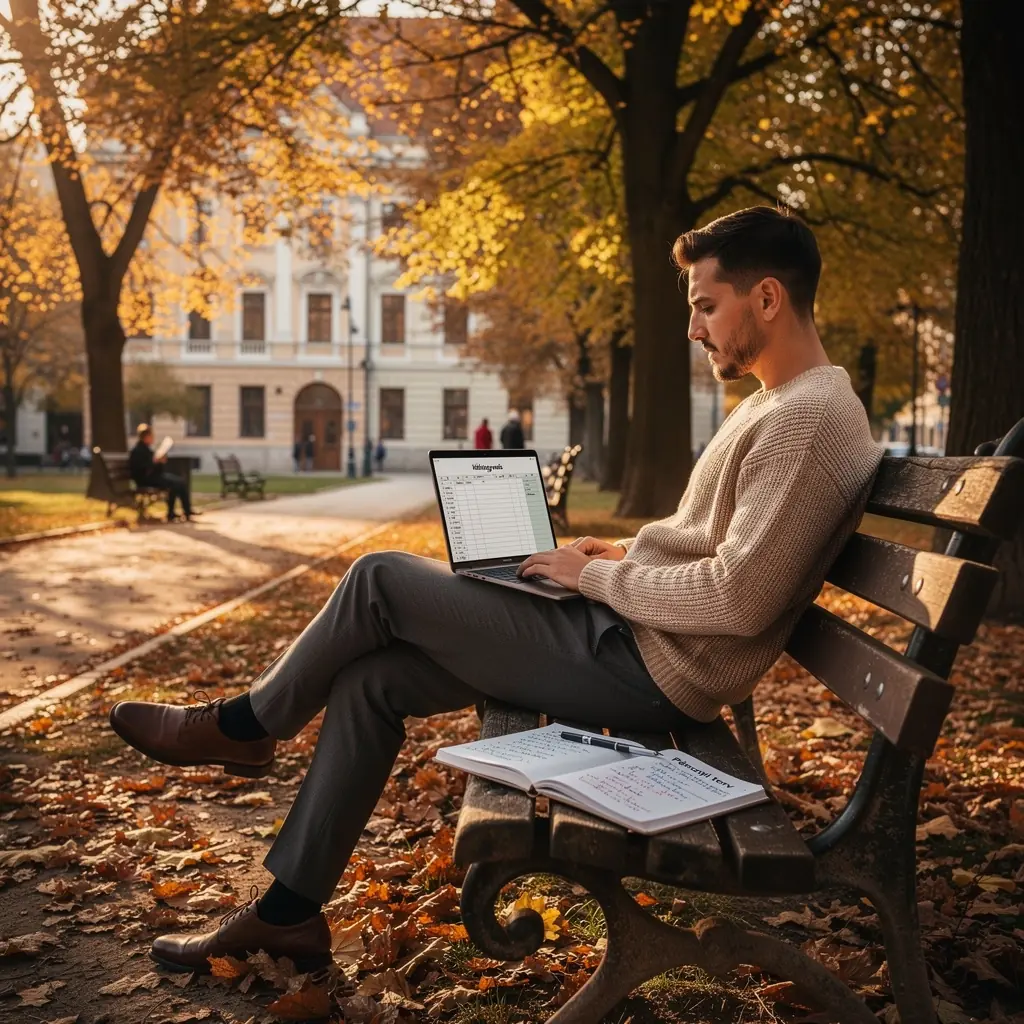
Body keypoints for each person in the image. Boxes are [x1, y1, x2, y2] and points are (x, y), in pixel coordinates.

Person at [108, 206, 882, 973]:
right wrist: (619, 555)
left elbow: (739, 598)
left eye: (706, 306)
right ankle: (287, 917)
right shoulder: (782, 405)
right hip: (626, 640)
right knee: (373, 681)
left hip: (648, 669)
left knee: (380, 579)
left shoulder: (808, 417)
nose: (692, 329)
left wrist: (596, 577)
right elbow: (714, 547)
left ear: (767, 298)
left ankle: (245, 725)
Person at [128, 424, 197, 523]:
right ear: (146, 437)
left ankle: (183, 511)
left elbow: (155, 469)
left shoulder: (146, 449)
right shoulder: (138, 451)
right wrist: (155, 462)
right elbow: (142, 470)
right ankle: (177, 512)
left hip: (153, 477)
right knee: (175, 484)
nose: (153, 438)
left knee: (179, 482)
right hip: (145, 480)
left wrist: (160, 462)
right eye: (151, 436)